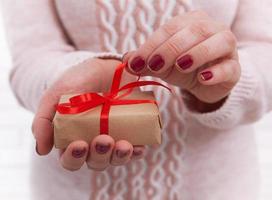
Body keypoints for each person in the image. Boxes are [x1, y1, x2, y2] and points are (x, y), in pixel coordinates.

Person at [1, 0, 271, 199]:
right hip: (71, 190)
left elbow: (265, 56)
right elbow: (31, 59)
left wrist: (222, 86)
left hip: (219, 189)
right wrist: (74, 78)